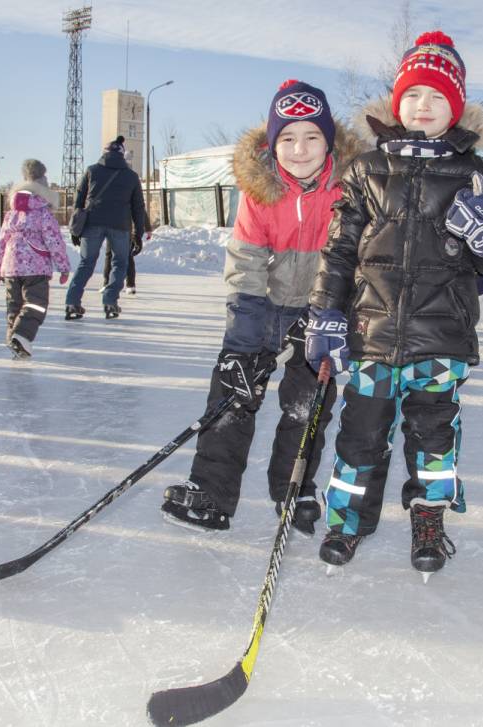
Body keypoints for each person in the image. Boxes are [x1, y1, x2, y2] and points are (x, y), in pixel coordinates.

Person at [304, 32, 483, 577]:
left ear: (457, 106)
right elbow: (338, 250)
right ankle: (348, 521)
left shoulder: (479, 172)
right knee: (360, 433)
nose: (425, 107)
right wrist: (325, 313)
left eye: (438, 98)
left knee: (433, 435)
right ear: (397, 103)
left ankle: (429, 517)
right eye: (415, 96)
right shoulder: (367, 170)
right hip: (371, 332)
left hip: (441, 335)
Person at [160, 80, 362, 534]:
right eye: (287, 138)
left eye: (312, 136)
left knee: (307, 405)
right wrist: (245, 334)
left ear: (330, 141)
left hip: (321, 309)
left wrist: (332, 311)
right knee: (232, 395)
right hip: (264, 306)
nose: (299, 149)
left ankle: (295, 486)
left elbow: (356, 256)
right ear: (273, 144)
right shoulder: (261, 190)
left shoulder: (350, 188)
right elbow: (246, 259)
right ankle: (211, 491)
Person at [0, 159, 71, 359]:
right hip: (35, 267)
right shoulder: (43, 213)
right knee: (36, 304)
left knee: (14, 306)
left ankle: (15, 341)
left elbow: (2, 243)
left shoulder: (11, 214)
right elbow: (54, 242)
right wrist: (63, 267)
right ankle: (21, 336)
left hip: (10, 267)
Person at [65, 136, 146, 320]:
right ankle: (110, 302)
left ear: (105, 152)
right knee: (120, 262)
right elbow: (138, 208)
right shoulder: (131, 176)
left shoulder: (91, 171)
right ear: (122, 154)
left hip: (92, 223)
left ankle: (72, 302)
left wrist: (75, 228)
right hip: (120, 225)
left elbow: (79, 200)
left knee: (86, 263)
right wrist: (138, 234)